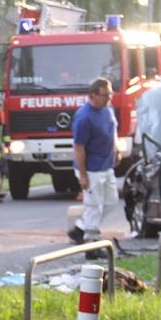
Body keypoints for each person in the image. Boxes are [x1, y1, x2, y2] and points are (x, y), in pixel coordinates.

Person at [67, 77, 119, 258]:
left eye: (110, 94)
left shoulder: (107, 110)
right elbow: (79, 148)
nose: (109, 98)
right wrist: (83, 175)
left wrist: (116, 150)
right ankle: (92, 245)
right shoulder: (84, 117)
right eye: (105, 95)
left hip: (106, 165)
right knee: (94, 206)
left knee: (111, 202)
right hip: (91, 169)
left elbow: (113, 130)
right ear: (93, 95)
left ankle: (81, 228)